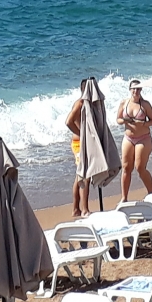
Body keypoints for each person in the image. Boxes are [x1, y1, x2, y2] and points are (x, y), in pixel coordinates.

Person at [116, 79, 152, 201]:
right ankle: (124, 198)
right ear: (130, 89)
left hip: (143, 139)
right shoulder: (124, 103)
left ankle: (151, 194)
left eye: (138, 88)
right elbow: (118, 119)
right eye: (134, 88)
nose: (136, 91)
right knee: (126, 168)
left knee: (140, 167)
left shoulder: (145, 105)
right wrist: (125, 120)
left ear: (141, 90)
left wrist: (143, 124)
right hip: (128, 138)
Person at [64, 86, 91, 217]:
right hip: (78, 143)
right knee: (84, 175)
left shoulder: (90, 104)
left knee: (79, 175)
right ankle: (84, 209)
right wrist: (81, 134)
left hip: (85, 143)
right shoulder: (80, 103)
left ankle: (76, 209)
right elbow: (68, 122)